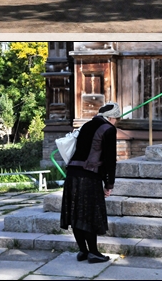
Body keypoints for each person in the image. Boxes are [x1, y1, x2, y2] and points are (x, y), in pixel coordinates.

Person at [60, 101, 119, 264]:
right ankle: (93, 252)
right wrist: (109, 184)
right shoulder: (109, 129)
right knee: (89, 214)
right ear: (111, 117)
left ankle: (83, 251)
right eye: (116, 119)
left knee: (75, 213)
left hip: (72, 174)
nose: (116, 122)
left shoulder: (85, 126)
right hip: (89, 176)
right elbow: (110, 160)